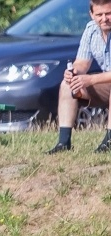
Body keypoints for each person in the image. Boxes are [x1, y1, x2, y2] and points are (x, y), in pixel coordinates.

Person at [47, 0, 111, 154]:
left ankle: (109, 142)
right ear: (91, 15)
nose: (104, 18)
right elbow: (82, 62)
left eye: (108, 13)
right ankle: (63, 142)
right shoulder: (91, 30)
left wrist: (91, 79)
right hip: (106, 82)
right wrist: (74, 72)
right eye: (99, 14)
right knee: (68, 84)